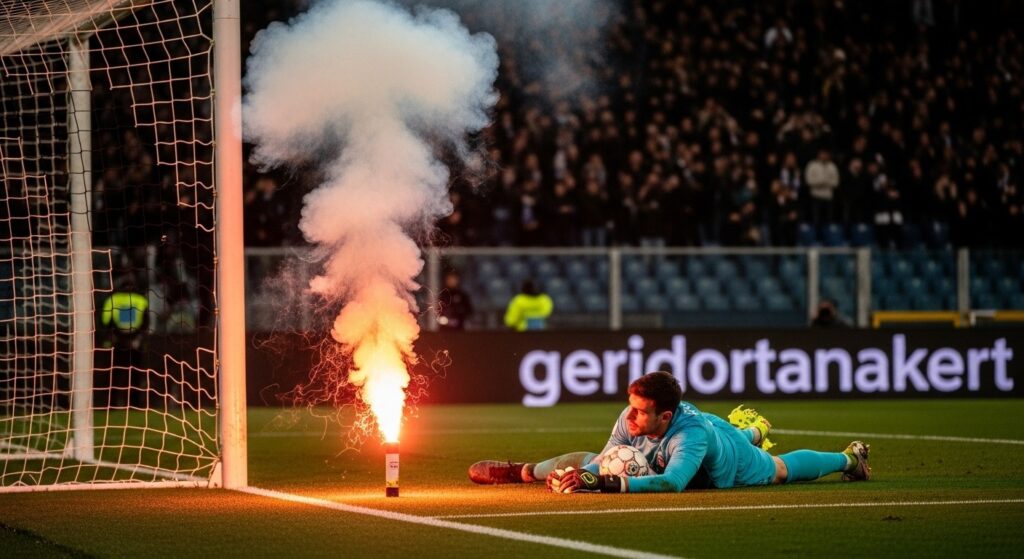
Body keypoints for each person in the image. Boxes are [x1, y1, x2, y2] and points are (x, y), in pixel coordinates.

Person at [468, 371, 870, 493]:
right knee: (730, 430)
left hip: (725, 460)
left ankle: (851, 459)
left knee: (778, 468)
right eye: (630, 406)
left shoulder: (687, 435)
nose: (630, 418)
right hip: (709, 431)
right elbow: (605, 457)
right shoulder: (632, 417)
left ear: (663, 416)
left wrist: (603, 484)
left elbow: (674, 482)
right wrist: (587, 473)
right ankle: (518, 470)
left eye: (641, 413)